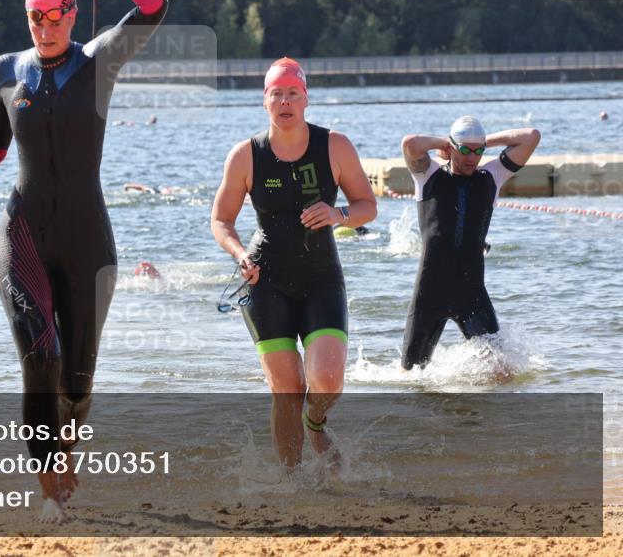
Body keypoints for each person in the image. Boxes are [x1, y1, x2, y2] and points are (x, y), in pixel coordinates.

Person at [0, 0, 167, 523]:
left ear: (71, 13)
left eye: (55, 15)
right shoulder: (5, 72)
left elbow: (154, 5)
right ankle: (47, 488)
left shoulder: (97, 62)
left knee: (78, 383)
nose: (45, 26)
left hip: (89, 241)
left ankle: (64, 446)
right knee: (41, 355)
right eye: (35, 17)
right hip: (24, 236)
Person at [211, 58, 377, 469]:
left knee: (328, 379)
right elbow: (221, 221)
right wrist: (239, 254)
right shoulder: (245, 155)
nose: (285, 101)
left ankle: (315, 422)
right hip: (265, 279)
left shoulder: (334, 146)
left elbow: (367, 207)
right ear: (264, 102)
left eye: (293, 94)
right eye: (276, 94)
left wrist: (338, 215)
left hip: (321, 276)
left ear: (305, 101)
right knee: (286, 388)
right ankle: (292, 482)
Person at [400, 117, 541, 370]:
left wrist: (485, 141)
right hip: (430, 293)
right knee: (410, 375)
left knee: (501, 370)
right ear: (452, 148)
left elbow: (531, 136)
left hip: (471, 293)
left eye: (478, 151)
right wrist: (442, 143)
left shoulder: (491, 177)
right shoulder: (428, 177)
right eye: (465, 149)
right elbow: (410, 144)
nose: (472, 157)